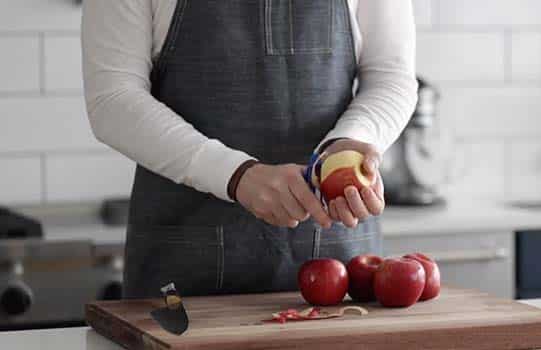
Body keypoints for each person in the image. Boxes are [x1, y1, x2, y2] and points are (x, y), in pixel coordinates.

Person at [81, 0, 417, 298]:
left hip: (340, 265)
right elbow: (113, 98)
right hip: (182, 272)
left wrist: (350, 141)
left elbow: (391, 77)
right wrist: (236, 175)